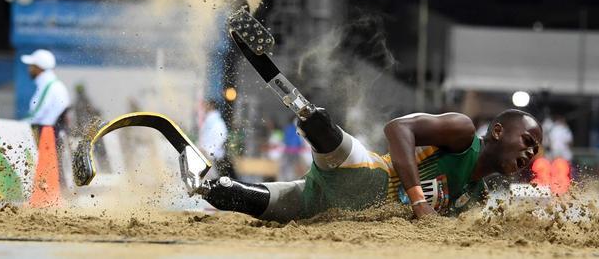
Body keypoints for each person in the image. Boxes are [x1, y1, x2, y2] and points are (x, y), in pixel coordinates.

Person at [197, 108, 542, 222]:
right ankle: (306, 113)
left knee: (235, 197)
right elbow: (398, 128)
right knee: (321, 127)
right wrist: (419, 201)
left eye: (536, 151)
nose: (530, 154)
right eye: (527, 142)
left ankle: (201, 185)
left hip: (320, 208)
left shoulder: (478, 198)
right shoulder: (463, 133)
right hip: (366, 176)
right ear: (498, 131)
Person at [22, 49, 71, 145]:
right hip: (53, 134)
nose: (29, 68)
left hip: (49, 137)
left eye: (31, 66)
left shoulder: (48, 85)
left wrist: (16, 126)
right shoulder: (52, 83)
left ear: (39, 68)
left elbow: (36, 113)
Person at [199, 99, 233, 177]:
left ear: (211, 106)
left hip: (213, 157)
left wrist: (208, 150)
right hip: (206, 156)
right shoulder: (209, 120)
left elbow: (221, 137)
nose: (204, 107)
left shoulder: (217, 122)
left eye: (206, 105)